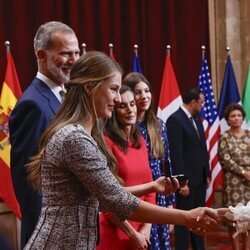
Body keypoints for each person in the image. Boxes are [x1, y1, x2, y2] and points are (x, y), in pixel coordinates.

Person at [24, 51, 224, 249]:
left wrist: (151, 187)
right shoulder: (75, 139)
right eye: (113, 89)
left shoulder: (80, 135)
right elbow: (117, 201)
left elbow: (102, 195)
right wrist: (187, 217)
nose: (119, 99)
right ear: (89, 88)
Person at [9, 21, 80, 248]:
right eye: (66, 54)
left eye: (77, 53)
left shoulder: (65, 96)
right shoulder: (33, 105)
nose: (74, 60)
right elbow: (29, 182)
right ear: (41, 55)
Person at [98, 85, 156, 250]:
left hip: (142, 229)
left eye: (132, 104)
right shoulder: (106, 142)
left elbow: (151, 189)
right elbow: (106, 196)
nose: (130, 110)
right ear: (114, 111)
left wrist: (146, 227)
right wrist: (132, 233)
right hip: (116, 229)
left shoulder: (142, 143)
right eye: (123, 106)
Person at [124, 72, 175, 250]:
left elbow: (167, 163)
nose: (144, 96)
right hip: (138, 189)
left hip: (159, 190)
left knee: (160, 241)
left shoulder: (159, 124)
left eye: (147, 91)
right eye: (138, 92)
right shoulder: (126, 125)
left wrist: (170, 202)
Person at [166, 88, 210, 250]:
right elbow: (176, 154)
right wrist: (182, 182)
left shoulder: (196, 119)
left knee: (199, 217)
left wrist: (207, 173)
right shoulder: (175, 120)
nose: (203, 105)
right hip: (187, 182)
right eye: (201, 102)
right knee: (184, 219)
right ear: (193, 102)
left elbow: (202, 148)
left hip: (200, 179)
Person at [217, 103, 250, 250]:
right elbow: (225, 159)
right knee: (235, 218)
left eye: (239, 115)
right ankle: (236, 248)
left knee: (249, 217)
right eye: (233, 116)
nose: (236, 118)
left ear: (243, 118)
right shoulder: (224, 137)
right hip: (233, 183)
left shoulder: (249, 135)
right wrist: (244, 173)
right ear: (228, 119)